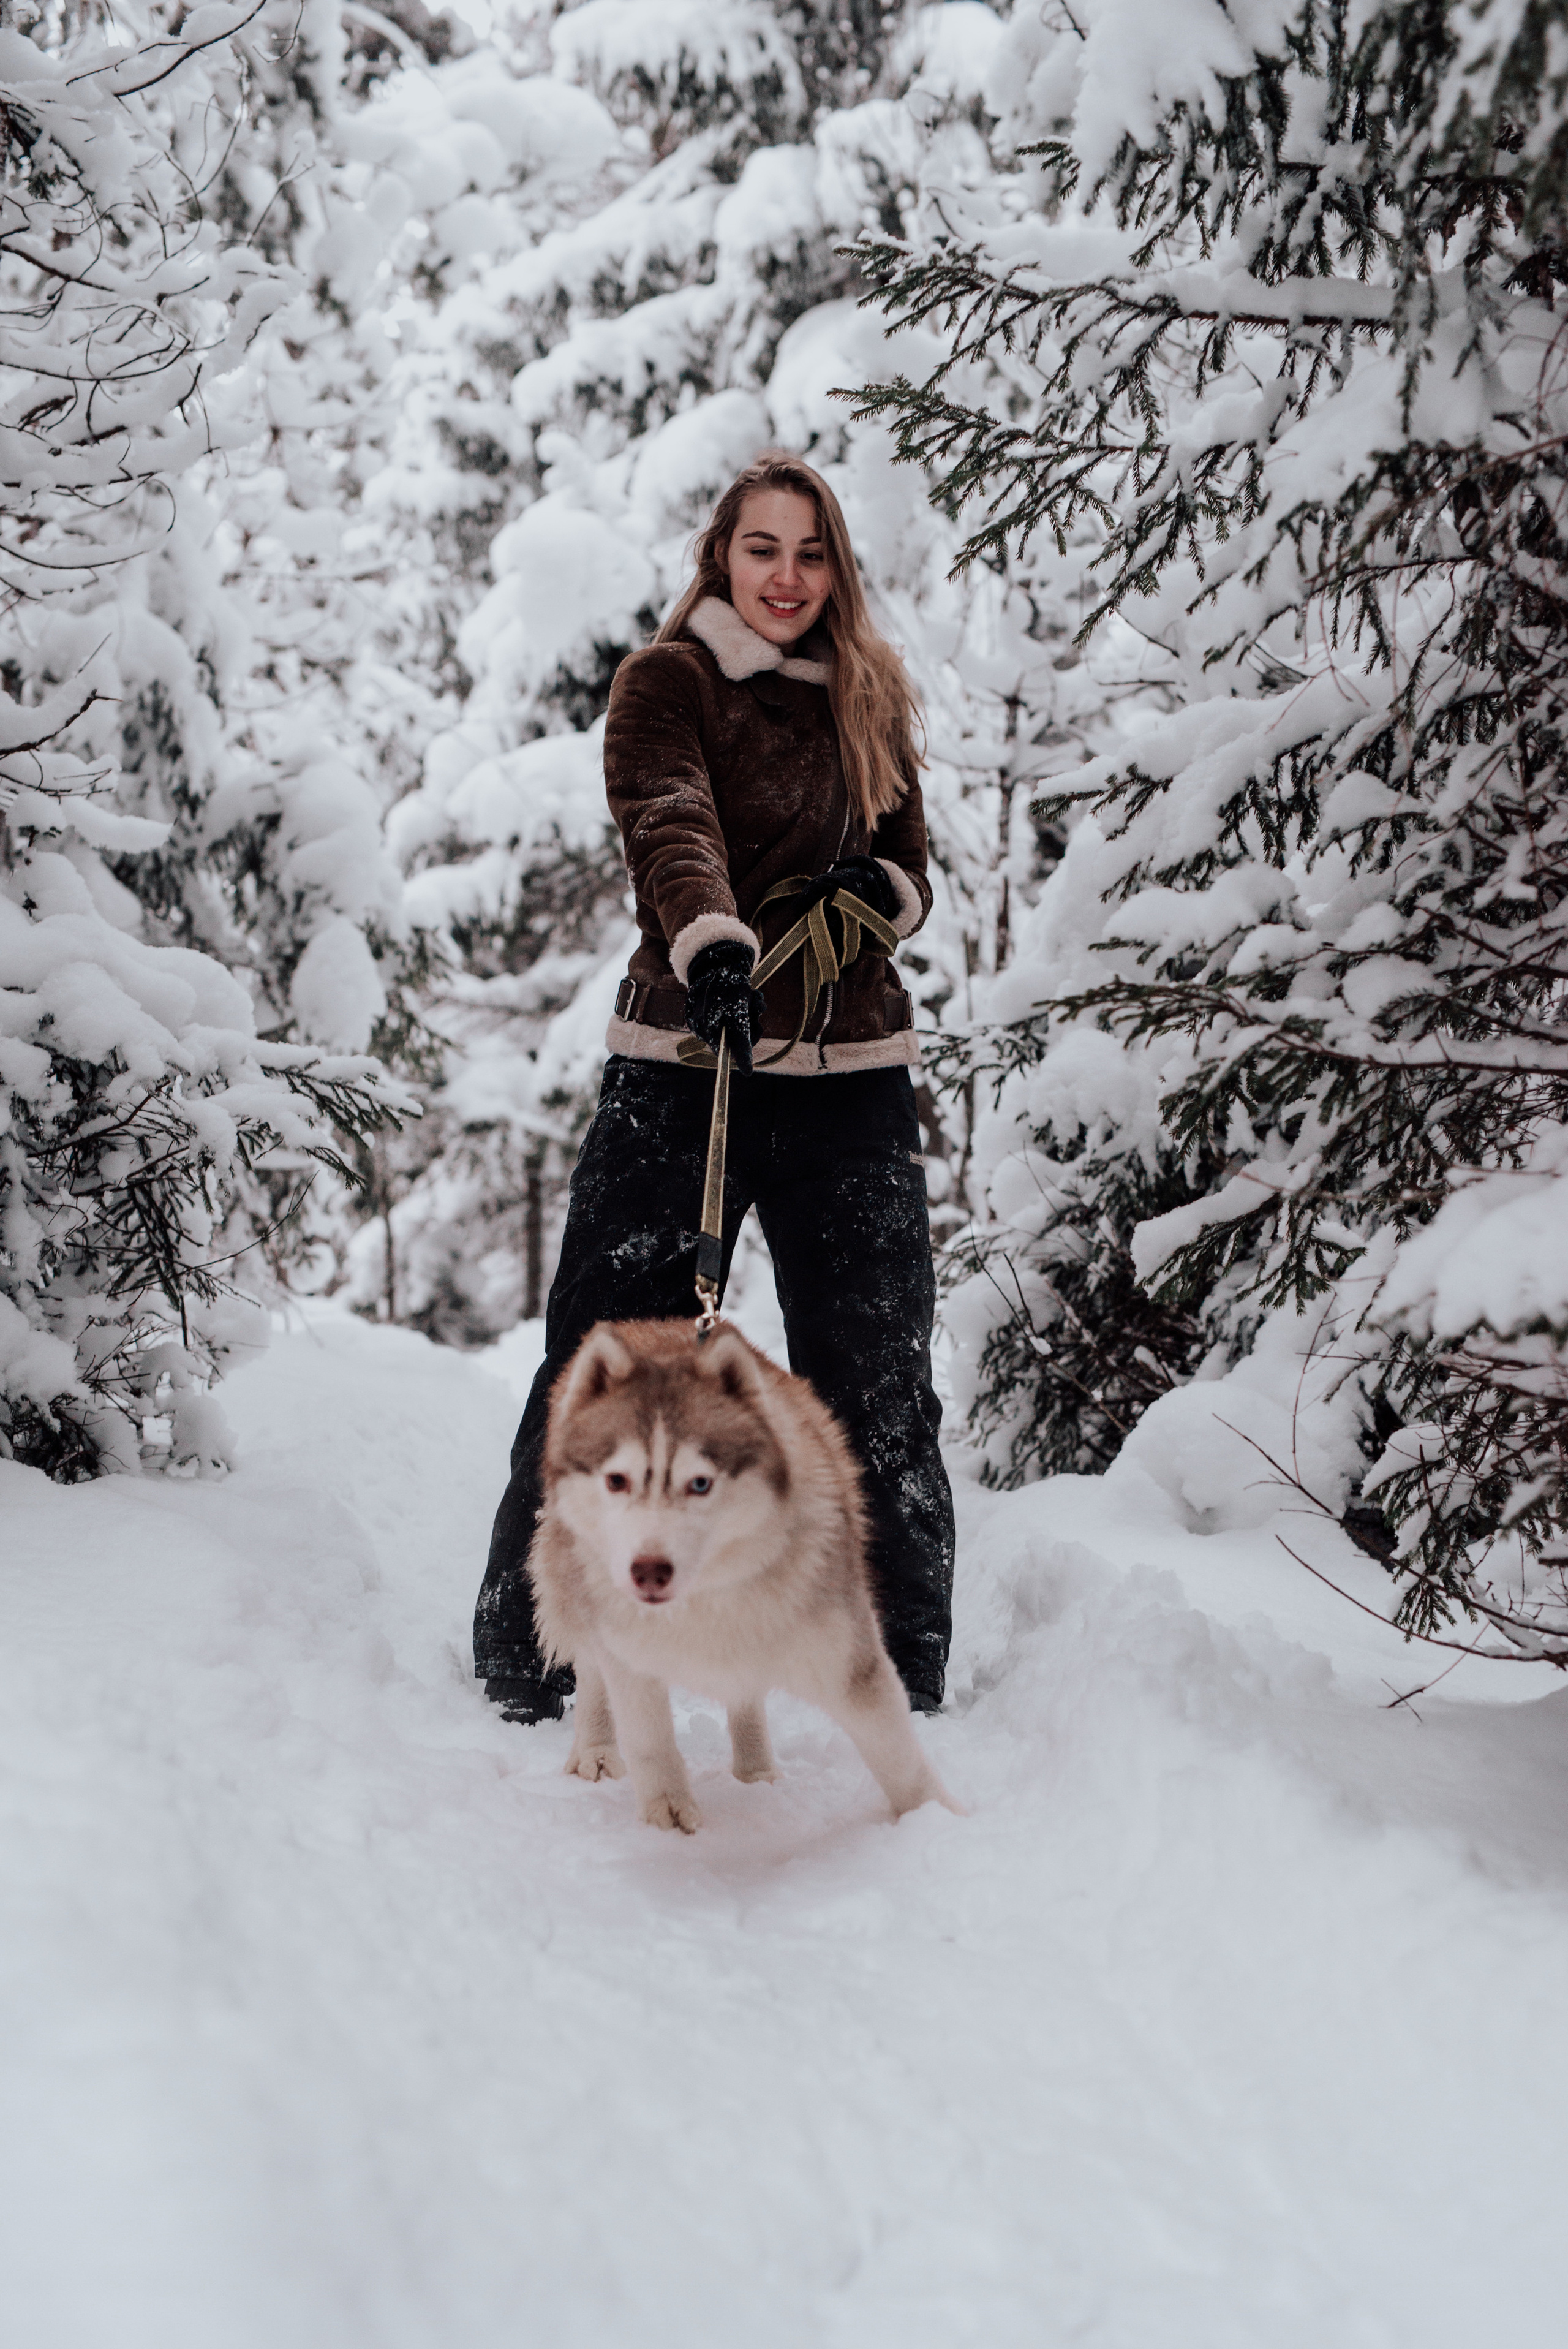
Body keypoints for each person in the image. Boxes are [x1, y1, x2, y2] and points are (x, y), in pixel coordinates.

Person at [473, 452, 955, 1722]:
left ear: (833, 568)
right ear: (720, 559)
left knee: (877, 1380)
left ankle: (900, 1666)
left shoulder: (869, 693)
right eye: (762, 550)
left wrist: (876, 894)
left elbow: (910, 860)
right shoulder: (667, 683)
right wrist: (715, 946)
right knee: (603, 1364)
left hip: (851, 1081)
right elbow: (666, 818)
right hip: (686, 1071)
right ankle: (533, 1657)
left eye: (809, 553)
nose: (786, 576)